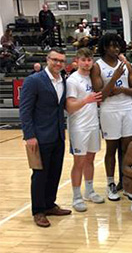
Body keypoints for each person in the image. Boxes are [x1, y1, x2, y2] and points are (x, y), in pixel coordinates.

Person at [19, 48, 71, 227]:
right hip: (39, 136)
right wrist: (29, 135)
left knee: (55, 172)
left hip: (58, 134)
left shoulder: (62, 80)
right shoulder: (34, 81)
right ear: (47, 60)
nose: (58, 63)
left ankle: (50, 204)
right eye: (55, 60)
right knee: (40, 175)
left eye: (61, 61)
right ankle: (38, 211)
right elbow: (25, 110)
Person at [90, 33, 132, 201]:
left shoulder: (126, 65)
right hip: (109, 111)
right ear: (104, 47)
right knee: (111, 149)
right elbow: (100, 95)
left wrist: (121, 90)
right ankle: (110, 183)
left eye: (117, 45)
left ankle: (126, 181)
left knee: (127, 149)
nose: (115, 49)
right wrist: (114, 79)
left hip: (127, 109)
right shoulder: (97, 66)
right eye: (112, 45)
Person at [66, 48, 104, 212]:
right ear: (77, 61)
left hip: (93, 124)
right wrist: (87, 100)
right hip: (78, 126)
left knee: (90, 159)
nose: (87, 63)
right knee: (79, 162)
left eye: (89, 60)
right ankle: (76, 196)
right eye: (84, 60)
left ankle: (89, 191)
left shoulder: (93, 78)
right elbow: (70, 107)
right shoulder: (72, 80)